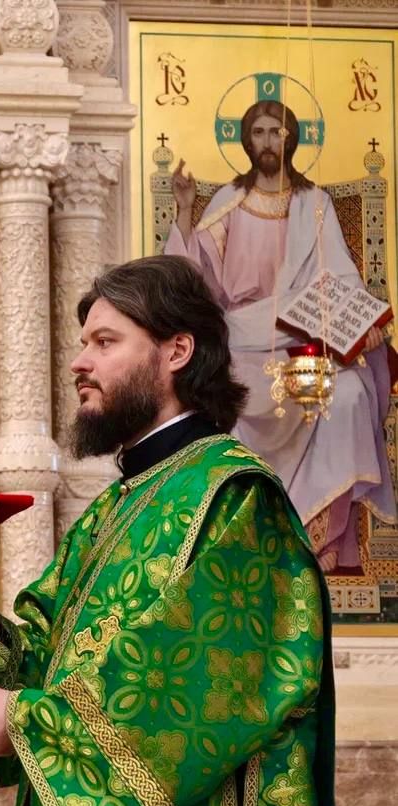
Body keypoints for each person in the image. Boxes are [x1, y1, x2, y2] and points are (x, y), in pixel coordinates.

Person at [0, 256, 341, 806]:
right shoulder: (114, 508)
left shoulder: (233, 497)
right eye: (83, 343)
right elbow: (60, 663)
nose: (79, 362)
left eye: (105, 342)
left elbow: (195, 686)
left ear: (176, 351)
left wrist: (29, 722)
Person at [166, 98, 396, 572]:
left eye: (277, 131)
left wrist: (363, 329)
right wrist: (186, 209)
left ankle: (319, 539)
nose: (268, 141)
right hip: (241, 340)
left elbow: (342, 280)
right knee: (223, 399)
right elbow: (191, 273)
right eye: (259, 132)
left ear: (291, 138)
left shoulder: (315, 204)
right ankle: (245, 538)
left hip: (307, 342)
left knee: (350, 395)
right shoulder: (230, 202)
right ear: (246, 141)